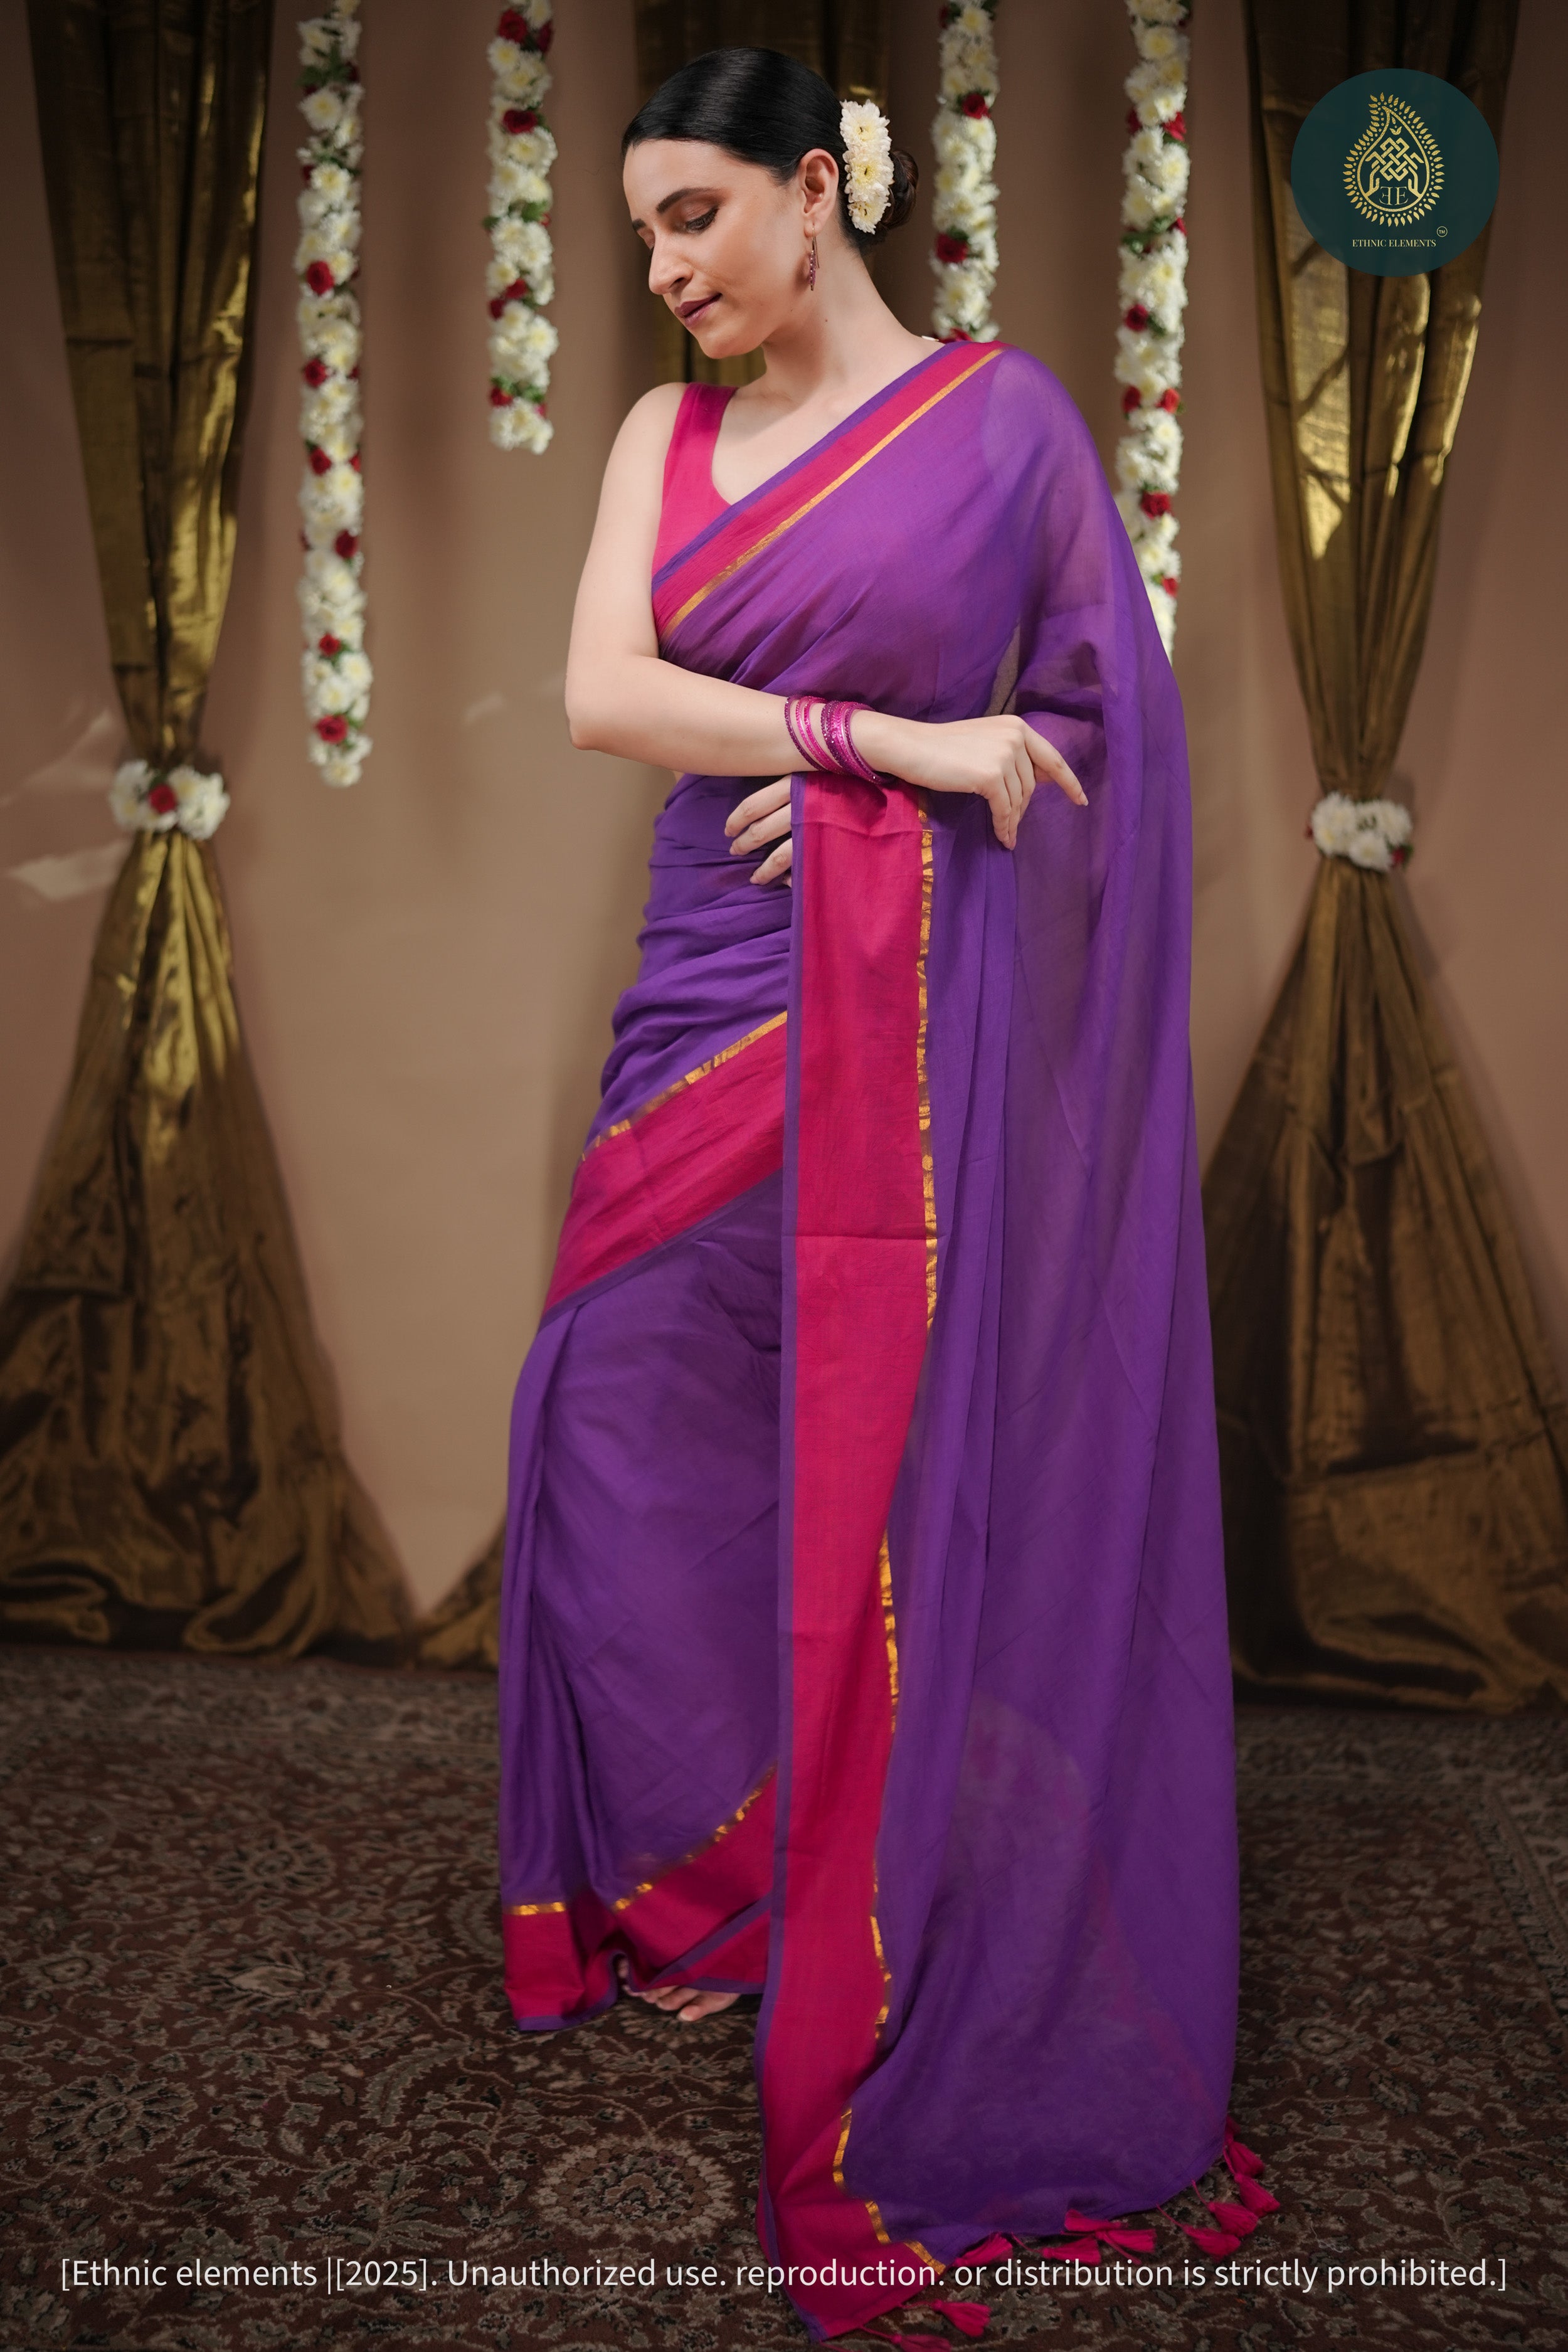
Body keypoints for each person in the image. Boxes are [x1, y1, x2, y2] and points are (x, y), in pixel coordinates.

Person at [497, 45, 1242, 2344]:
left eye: (696, 213)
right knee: (614, 1419)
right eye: (639, 228)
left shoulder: (1006, 429)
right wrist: (874, 747)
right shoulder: (658, 435)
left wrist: (907, 814)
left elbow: (1096, 749)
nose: (663, 266)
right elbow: (604, 696)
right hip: (708, 994)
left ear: (815, 192)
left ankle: (880, 1895)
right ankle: (724, 1893)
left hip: (907, 1029)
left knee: (875, 1463)